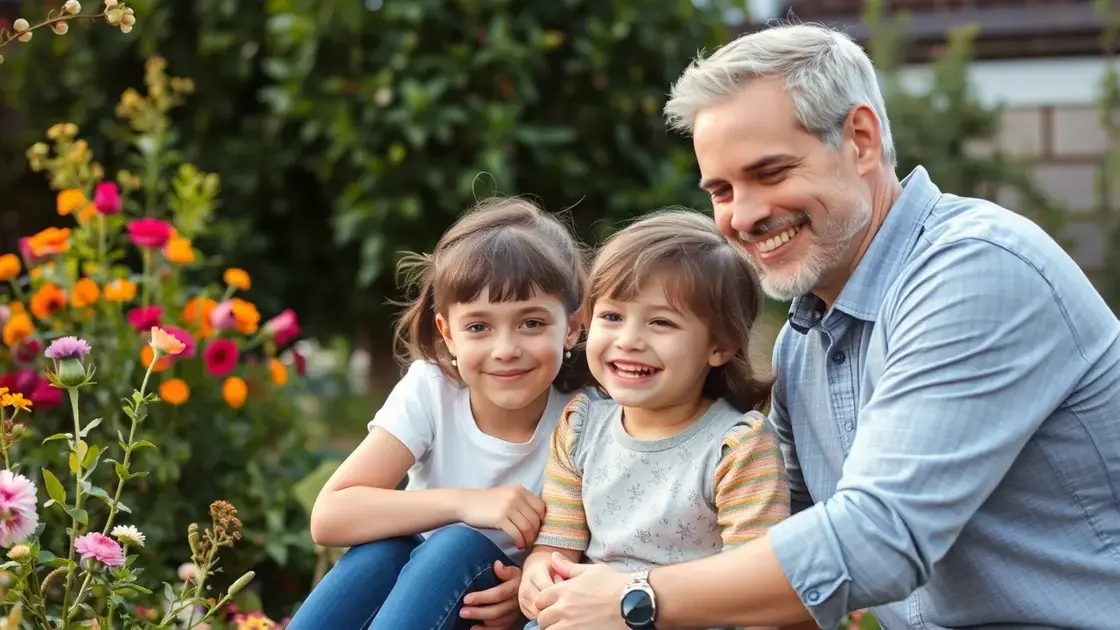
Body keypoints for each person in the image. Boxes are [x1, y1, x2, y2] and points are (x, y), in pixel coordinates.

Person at [528, 22, 1120, 630]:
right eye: (723, 190)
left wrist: (638, 597)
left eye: (772, 172)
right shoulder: (804, 343)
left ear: (860, 139)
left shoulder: (975, 270)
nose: (746, 215)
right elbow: (776, 550)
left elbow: (878, 540)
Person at [288, 197, 593, 630]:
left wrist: (528, 587)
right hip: (418, 597)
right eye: (478, 327)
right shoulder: (434, 389)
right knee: (384, 550)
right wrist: (466, 504)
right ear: (447, 333)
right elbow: (330, 516)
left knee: (454, 547)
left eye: (531, 323)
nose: (506, 350)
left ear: (573, 327)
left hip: (492, 607)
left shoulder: (589, 416)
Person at [518, 209, 790, 630]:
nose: (628, 341)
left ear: (720, 345)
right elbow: (557, 544)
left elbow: (755, 585)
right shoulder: (580, 428)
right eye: (612, 316)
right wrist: (538, 574)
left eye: (661, 322)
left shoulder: (737, 447)